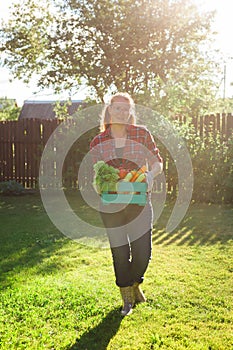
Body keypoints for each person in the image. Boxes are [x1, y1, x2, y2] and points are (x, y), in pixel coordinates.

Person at [90, 92, 163, 316]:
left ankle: (135, 284)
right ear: (109, 110)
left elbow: (157, 161)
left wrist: (151, 175)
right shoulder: (98, 141)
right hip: (111, 204)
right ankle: (127, 299)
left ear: (130, 112)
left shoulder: (142, 134)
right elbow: (97, 173)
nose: (122, 113)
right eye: (117, 108)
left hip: (139, 200)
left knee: (143, 252)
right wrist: (99, 184)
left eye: (126, 108)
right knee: (120, 252)